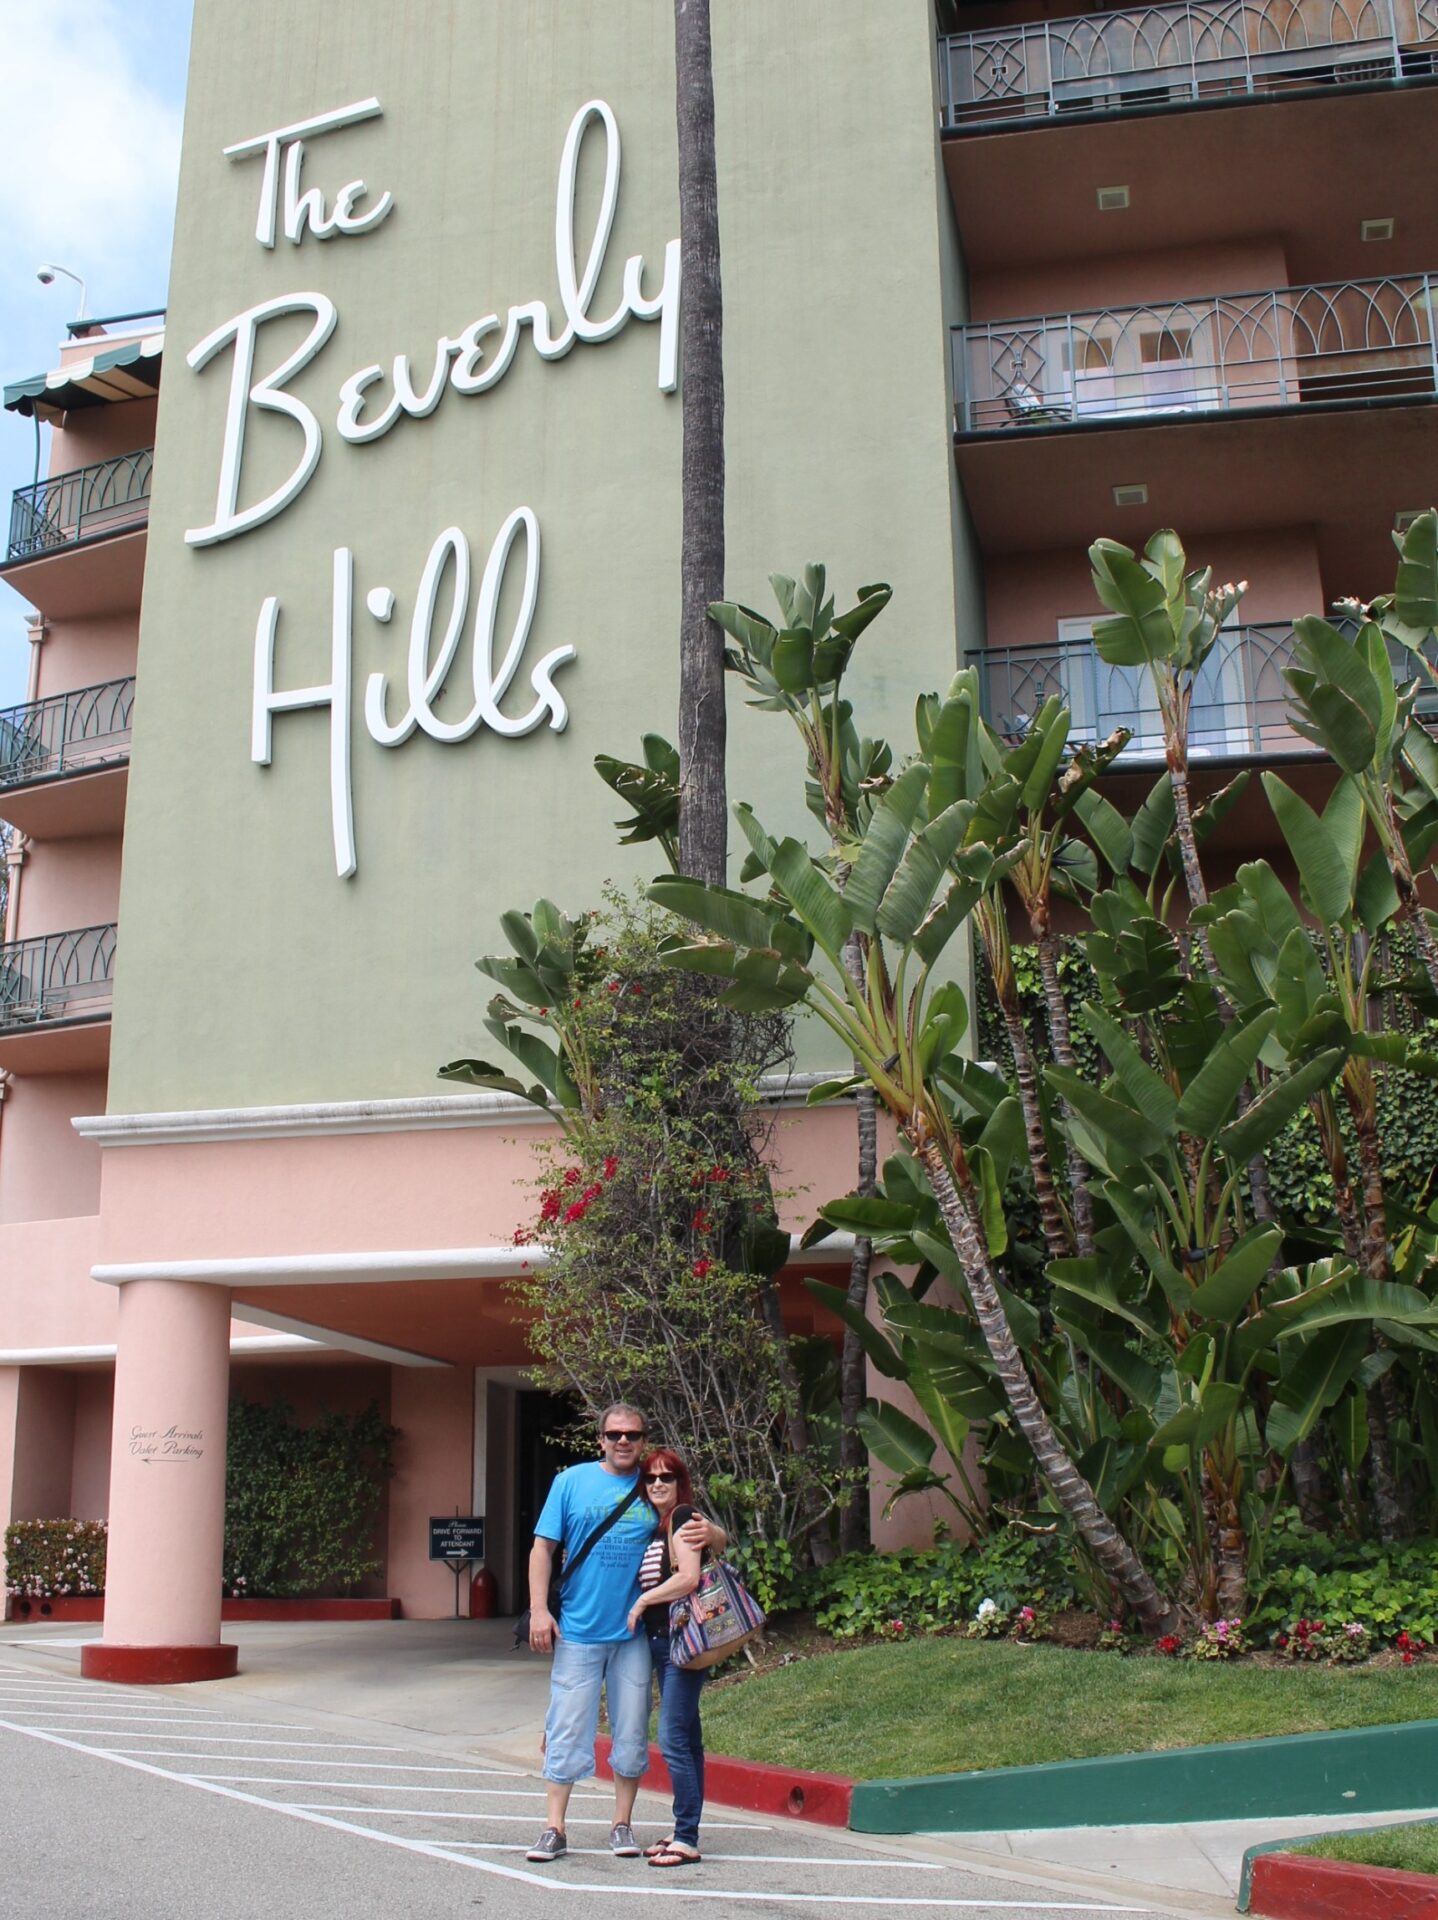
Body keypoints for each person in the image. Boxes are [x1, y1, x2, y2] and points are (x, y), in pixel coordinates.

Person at [524, 1403, 717, 1865]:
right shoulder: (570, 1482)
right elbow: (542, 1548)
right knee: (567, 1727)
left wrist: (716, 1533)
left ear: (643, 1439)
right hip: (578, 1631)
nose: (623, 1441)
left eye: (632, 1434)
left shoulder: (651, 1484)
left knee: (630, 1731)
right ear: (601, 1440)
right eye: (614, 1434)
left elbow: (691, 1527)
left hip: (633, 1638)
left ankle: (621, 1823)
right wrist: (538, 1610)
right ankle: (554, 1827)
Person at [626, 1447, 707, 1868]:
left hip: (682, 1644)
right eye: (651, 1477)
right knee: (688, 1740)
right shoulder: (657, 1526)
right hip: (663, 1644)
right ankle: (683, 1830)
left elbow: (688, 1578)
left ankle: (687, 1838)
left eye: (667, 1477)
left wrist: (642, 1602)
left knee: (674, 1738)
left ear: (680, 1483)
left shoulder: (683, 1517)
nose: (658, 1483)